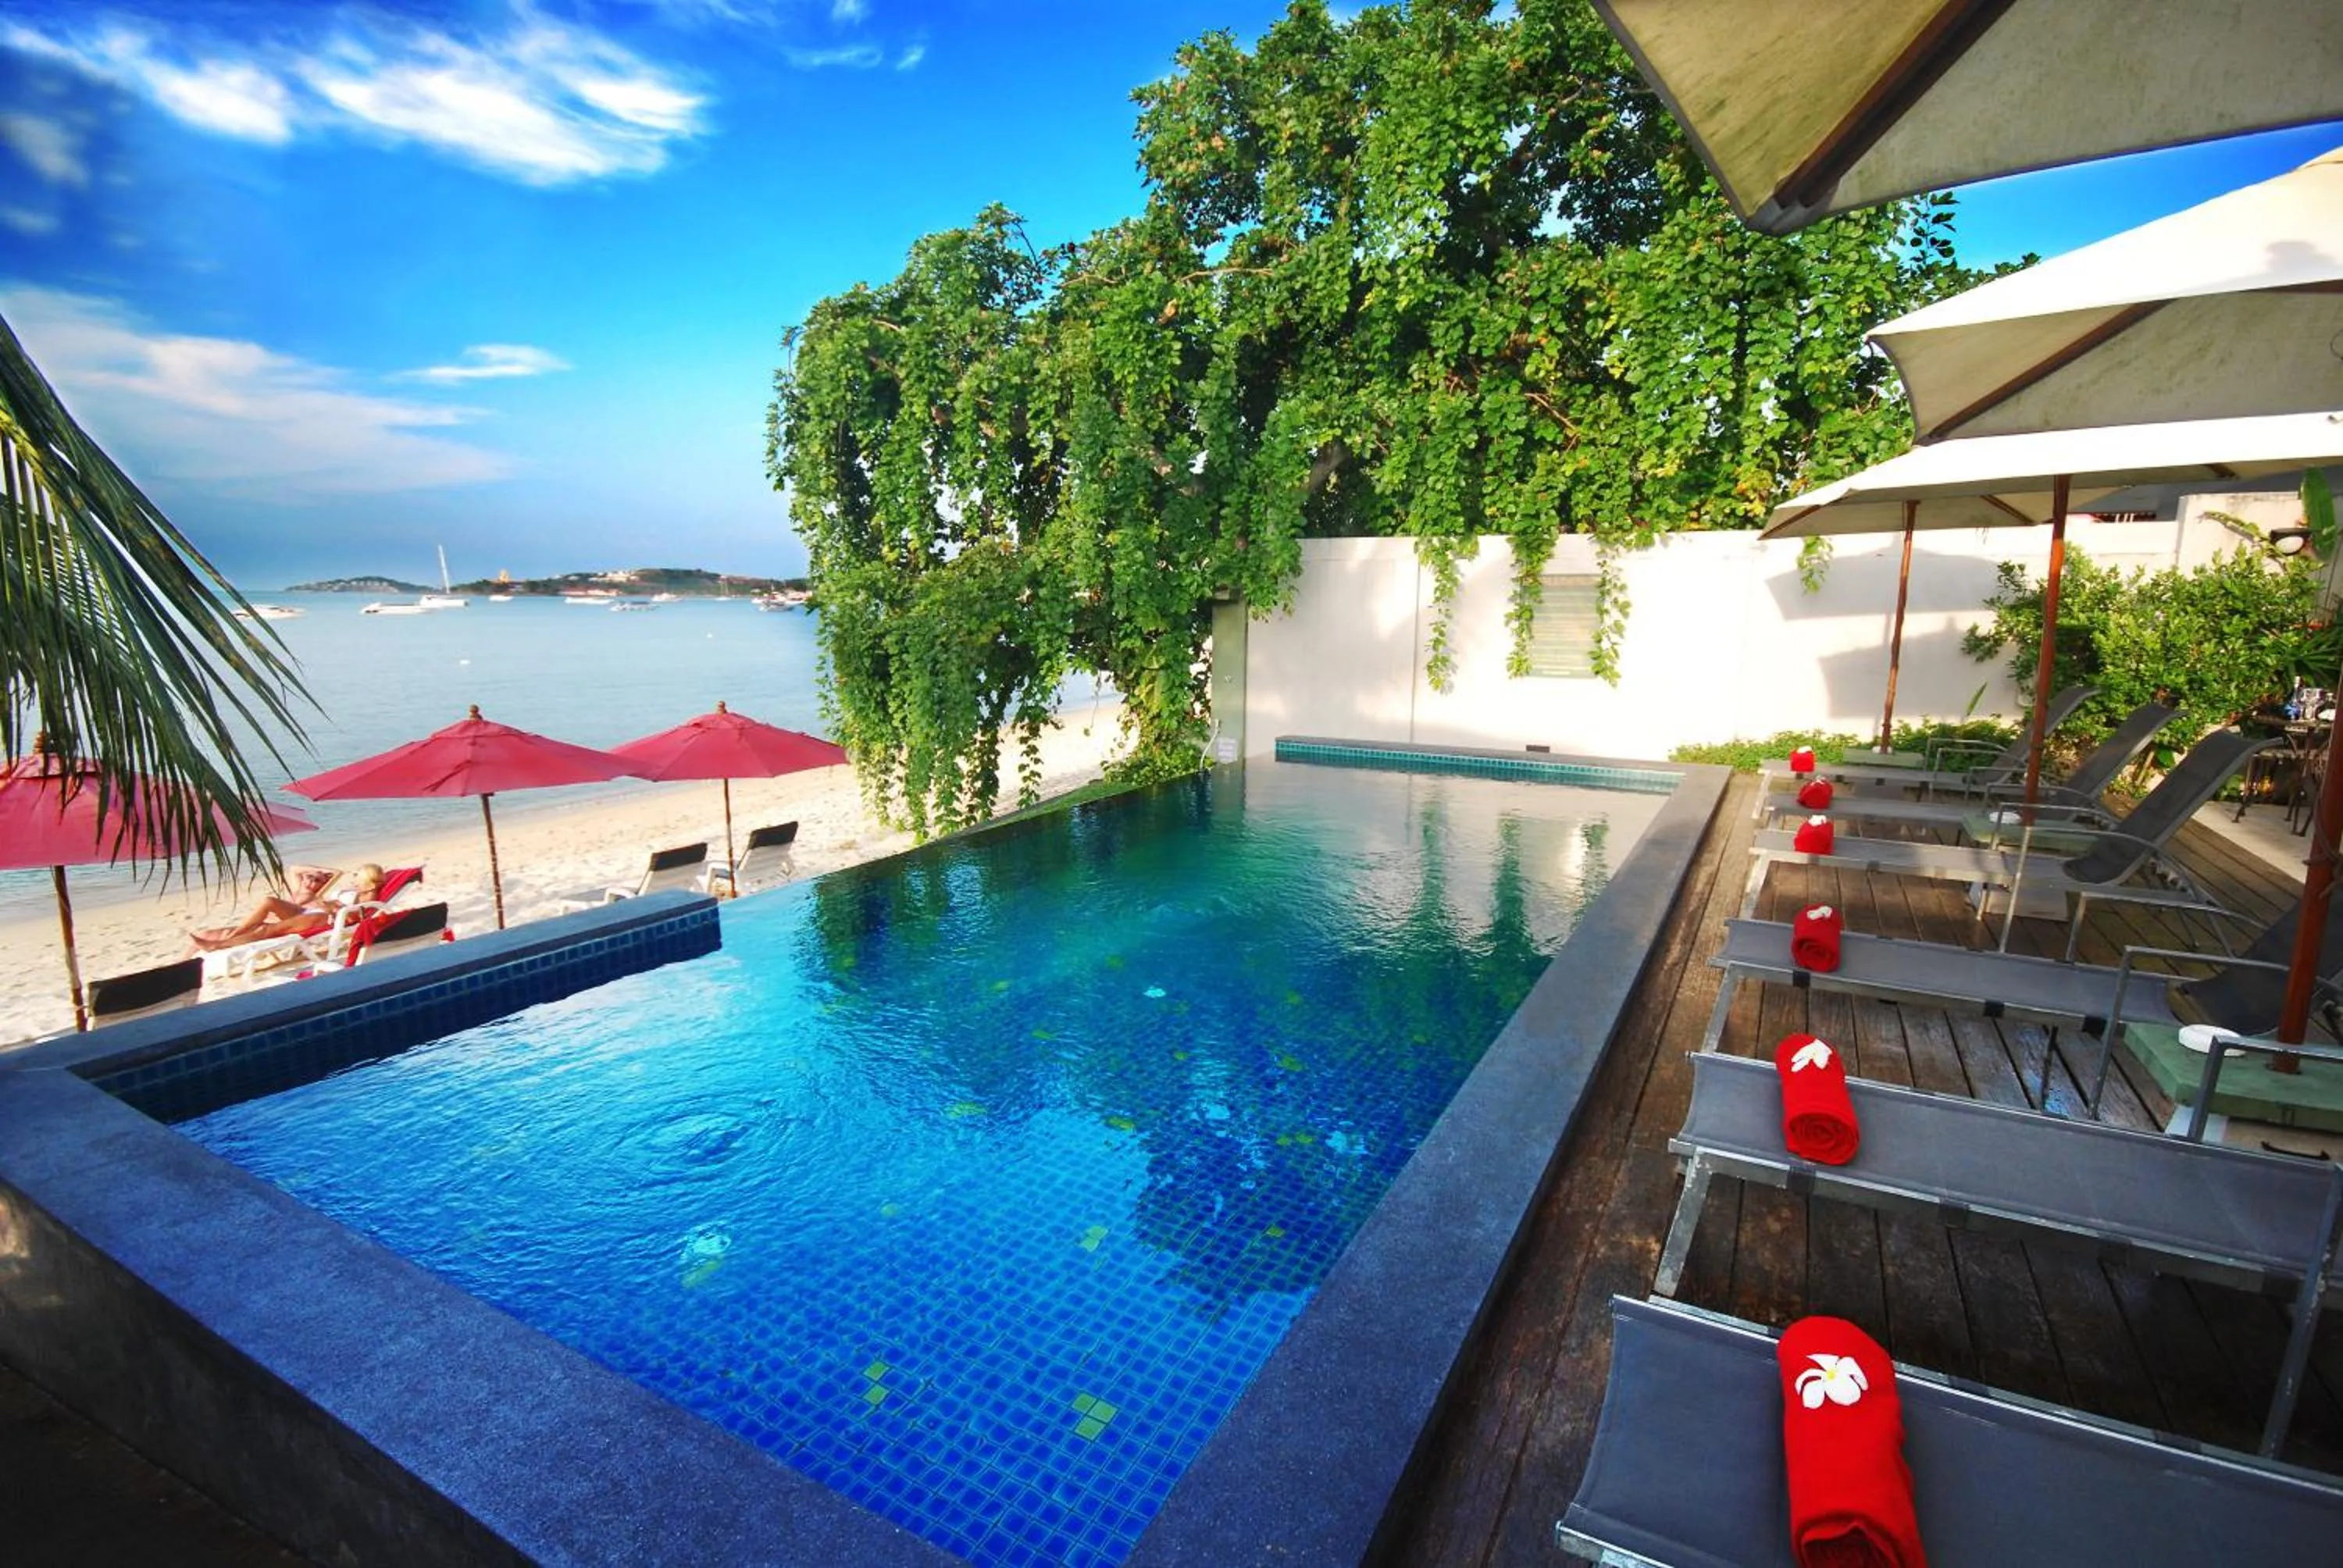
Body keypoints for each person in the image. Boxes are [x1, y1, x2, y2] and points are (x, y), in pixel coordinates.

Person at [186, 864, 384, 953]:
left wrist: (328, 905)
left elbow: (353, 917)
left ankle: (217, 945)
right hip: (314, 911)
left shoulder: (368, 897)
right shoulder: (359, 890)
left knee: (267, 930)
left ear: (368, 880)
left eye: (358, 875)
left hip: (323, 918)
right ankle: (235, 935)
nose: (354, 877)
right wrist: (326, 903)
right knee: (269, 901)